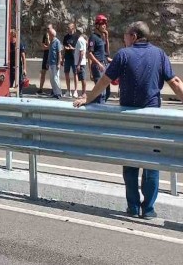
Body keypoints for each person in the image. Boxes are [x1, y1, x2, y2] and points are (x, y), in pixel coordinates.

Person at [74, 21, 183, 219]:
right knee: (152, 164)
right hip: (153, 118)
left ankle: (132, 206)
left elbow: (104, 81)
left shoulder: (124, 54)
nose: (124, 38)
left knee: (130, 162)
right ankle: (148, 209)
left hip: (130, 119)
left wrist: (88, 99)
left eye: (125, 34)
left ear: (133, 36)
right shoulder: (159, 54)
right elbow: (175, 83)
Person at [88, 14, 111, 104]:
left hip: (104, 65)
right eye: (102, 24)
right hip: (98, 67)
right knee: (101, 93)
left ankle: (98, 105)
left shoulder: (101, 38)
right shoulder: (93, 37)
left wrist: (107, 38)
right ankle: (98, 108)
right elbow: (89, 54)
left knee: (107, 92)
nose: (104, 26)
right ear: (97, 25)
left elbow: (107, 53)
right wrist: (98, 64)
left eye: (105, 24)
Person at [63, 23, 78, 97]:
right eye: (68, 27)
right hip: (67, 57)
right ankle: (68, 90)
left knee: (75, 74)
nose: (68, 29)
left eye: (69, 28)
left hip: (74, 58)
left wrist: (72, 48)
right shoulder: (66, 37)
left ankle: (75, 91)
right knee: (66, 73)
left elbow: (79, 48)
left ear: (73, 28)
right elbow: (64, 48)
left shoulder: (77, 37)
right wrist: (62, 59)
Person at [47, 25, 62, 99]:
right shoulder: (51, 42)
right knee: (52, 79)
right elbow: (50, 53)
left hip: (55, 64)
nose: (48, 36)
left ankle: (58, 93)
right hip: (50, 63)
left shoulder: (57, 42)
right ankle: (54, 92)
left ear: (52, 35)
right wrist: (47, 62)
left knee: (56, 78)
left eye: (49, 34)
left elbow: (59, 53)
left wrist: (59, 63)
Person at [37, 24, 52, 94]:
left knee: (52, 73)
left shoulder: (53, 36)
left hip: (51, 56)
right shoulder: (45, 35)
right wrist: (48, 47)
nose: (47, 30)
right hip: (46, 55)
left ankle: (54, 89)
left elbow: (51, 46)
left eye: (49, 28)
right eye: (47, 28)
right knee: (43, 72)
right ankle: (40, 88)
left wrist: (48, 45)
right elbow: (43, 47)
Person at [74, 29, 88, 97]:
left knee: (83, 78)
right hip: (80, 62)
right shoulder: (82, 40)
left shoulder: (80, 40)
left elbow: (82, 52)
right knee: (82, 78)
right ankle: (83, 93)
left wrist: (79, 64)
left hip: (81, 63)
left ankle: (84, 93)